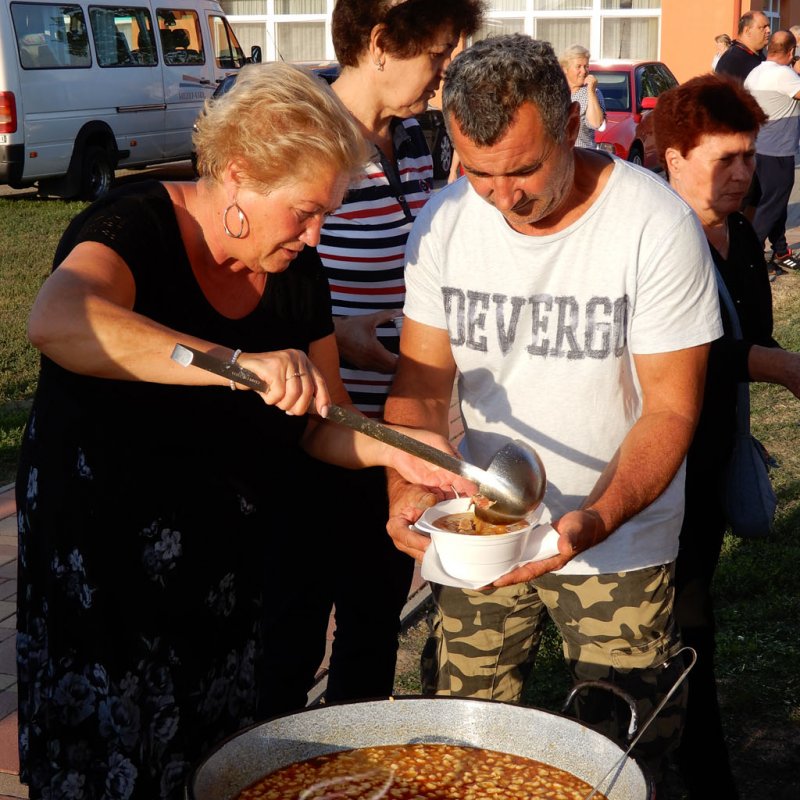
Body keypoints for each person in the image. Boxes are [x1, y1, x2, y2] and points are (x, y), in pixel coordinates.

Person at [14, 62, 476, 800]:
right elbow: (59, 319)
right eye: (303, 210)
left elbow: (320, 424)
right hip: (103, 581)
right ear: (237, 176)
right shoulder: (133, 225)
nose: (316, 231)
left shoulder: (297, 273)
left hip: (223, 581)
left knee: (217, 771)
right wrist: (236, 365)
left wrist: (408, 454)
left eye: (327, 210)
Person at [382, 33, 723, 787]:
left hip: (617, 540)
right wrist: (404, 487)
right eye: (479, 173)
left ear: (571, 125)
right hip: (482, 526)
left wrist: (593, 520)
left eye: (525, 169)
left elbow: (670, 410)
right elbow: (423, 380)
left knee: (622, 753)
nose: (506, 197)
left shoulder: (654, 226)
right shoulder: (442, 224)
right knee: (466, 740)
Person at [256, 0, 485, 718]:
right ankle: (279, 764)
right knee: (288, 634)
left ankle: (358, 768)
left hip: (393, 428)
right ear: (382, 43)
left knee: (373, 621)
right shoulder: (303, 131)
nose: (443, 74)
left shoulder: (414, 137)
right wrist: (337, 330)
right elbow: (260, 277)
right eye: (437, 55)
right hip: (314, 426)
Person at [654, 71, 800, 800]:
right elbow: (681, 350)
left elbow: (749, 334)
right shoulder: (652, 236)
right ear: (675, 156)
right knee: (677, 631)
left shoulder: (739, 233)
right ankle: (698, 774)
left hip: (706, 464)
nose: (744, 173)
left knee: (692, 623)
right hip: (653, 472)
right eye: (726, 159)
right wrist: (778, 365)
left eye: (749, 156)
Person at [744, 30, 800, 278]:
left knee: (772, 204)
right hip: (778, 153)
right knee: (771, 207)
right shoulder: (784, 75)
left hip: (758, 149)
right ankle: (750, 260)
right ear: (791, 52)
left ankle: (781, 251)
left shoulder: (756, 72)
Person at [559, 44, 606, 149]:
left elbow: (596, 123)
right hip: (557, 156)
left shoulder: (594, 93)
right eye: (578, 66)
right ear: (565, 69)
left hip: (582, 155)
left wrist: (591, 91)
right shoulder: (556, 92)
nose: (584, 71)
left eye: (586, 66)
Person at [715, 9, 770, 81]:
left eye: (768, 26)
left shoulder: (758, 55)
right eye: (763, 27)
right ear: (747, 31)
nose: (768, 30)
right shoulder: (733, 60)